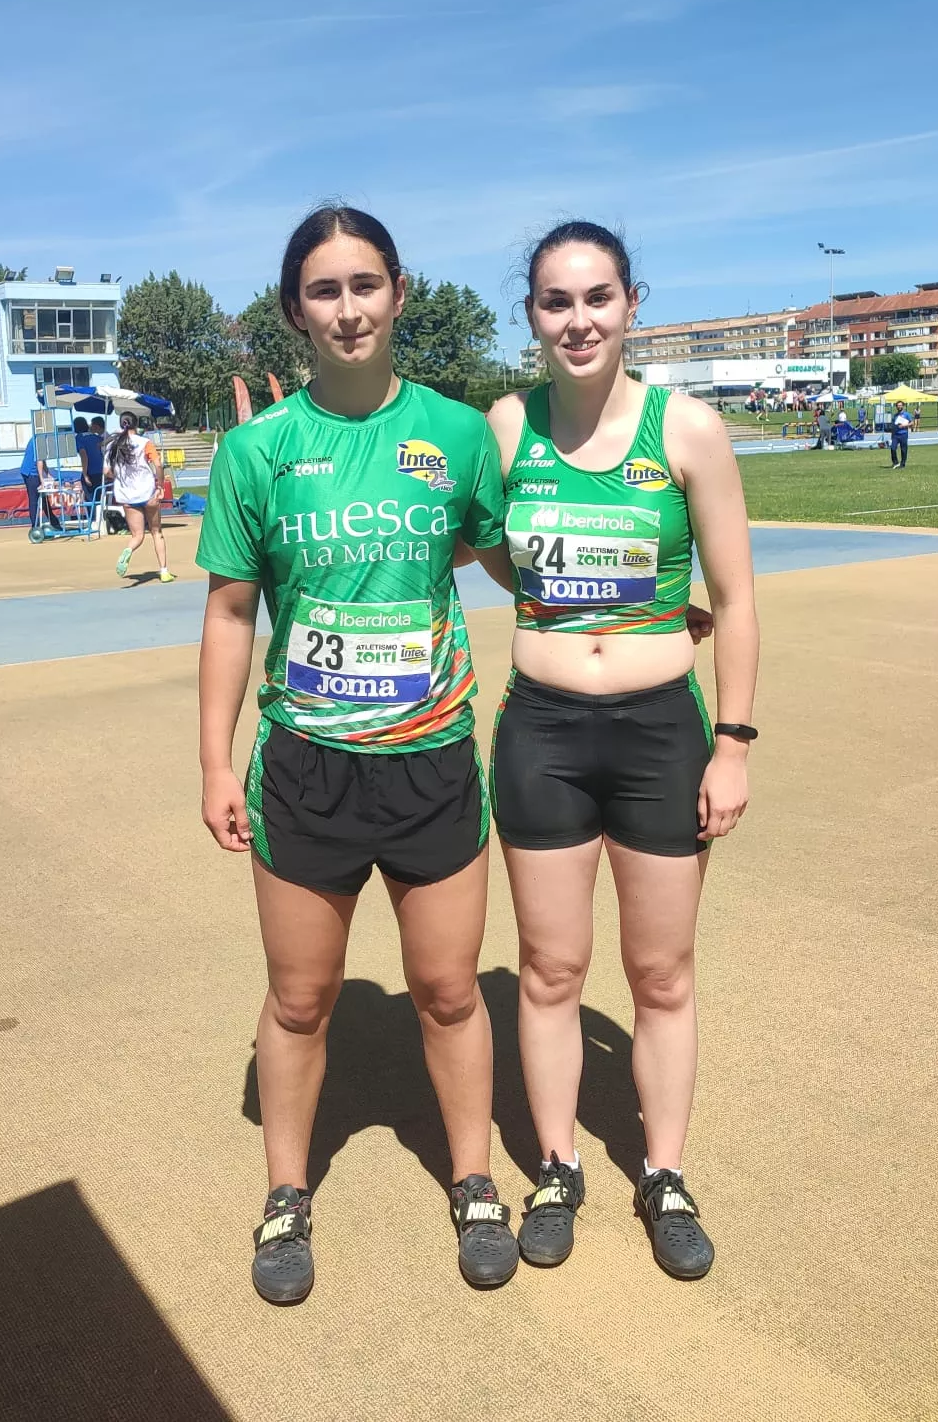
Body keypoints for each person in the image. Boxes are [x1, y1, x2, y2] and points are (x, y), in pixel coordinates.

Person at [196, 204, 517, 1304]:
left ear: (399, 291)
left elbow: (497, 554)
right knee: (298, 1000)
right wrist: (211, 763)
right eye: (324, 290)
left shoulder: (458, 434)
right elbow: (231, 612)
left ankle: (473, 1181)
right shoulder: (256, 452)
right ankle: (286, 1198)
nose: (348, 308)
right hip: (305, 768)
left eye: (365, 284)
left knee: (444, 991)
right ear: (296, 310)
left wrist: (624, 600)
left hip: (429, 761)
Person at [475, 221, 758, 1281]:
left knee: (659, 972)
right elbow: (481, 548)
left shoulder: (686, 431)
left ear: (631, 304)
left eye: (596, 298)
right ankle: (555, 1168)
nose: (577, 319)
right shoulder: (503, 430)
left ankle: (665, 1172)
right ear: (532, 316)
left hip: (658, 737)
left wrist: (729, 743)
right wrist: (565, 600)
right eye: (555, 301)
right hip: (542, 731)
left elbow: (732, 602)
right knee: (548, 969)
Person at [107, 416, 174, 581]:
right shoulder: (145, 443)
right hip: (147, 491)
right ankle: (164, 571)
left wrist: (121, 476)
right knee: (157, 532)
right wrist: (159, 485)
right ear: (136, 425)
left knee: (137, 535)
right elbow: (158, 464)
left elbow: (107, 472)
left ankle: (128, 550)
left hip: (127, 495)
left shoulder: (112, 445)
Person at [19, 430, 59, 540]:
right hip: (30, 473)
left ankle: (55, 523)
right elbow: (39, 461)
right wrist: (43, 480)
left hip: (33, 472)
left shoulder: (40, 440)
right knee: (34, 500)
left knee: (44, 499)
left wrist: (48, 474)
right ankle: (35, 526)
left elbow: (43, 460)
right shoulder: (39, 441)